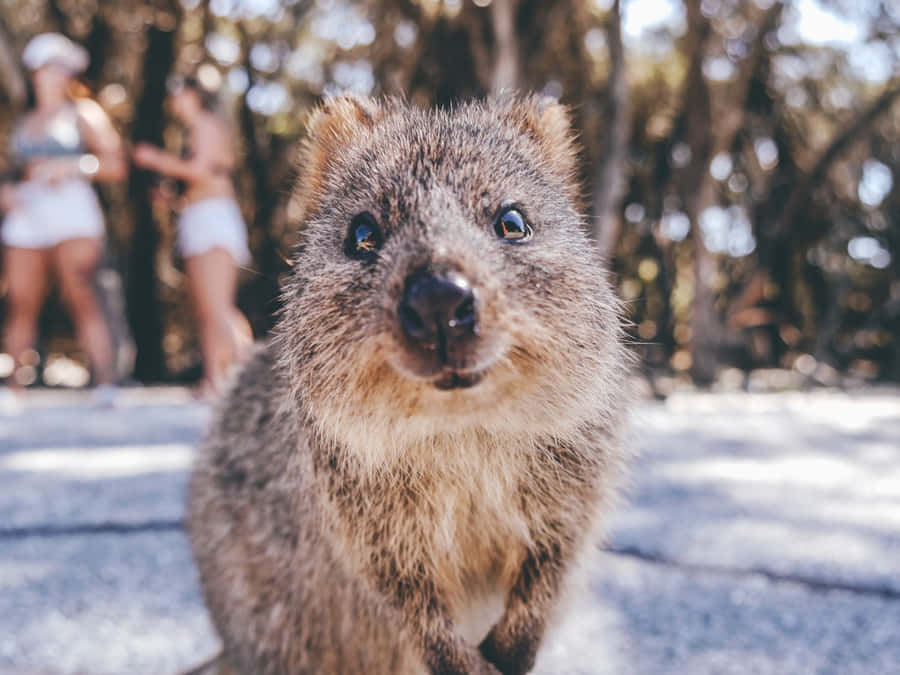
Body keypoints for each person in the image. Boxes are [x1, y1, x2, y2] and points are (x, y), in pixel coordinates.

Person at [0, 33, 125, 405]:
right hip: (28, 213)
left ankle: (104, 382)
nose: (54, 75)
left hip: (73, 211)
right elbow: (14, 172)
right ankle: (14, 387)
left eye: (61, 68)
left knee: (82, 292)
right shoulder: (24, 121)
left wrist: (71, 166)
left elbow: (116, 165)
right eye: (47, 67)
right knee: (22, 299)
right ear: (35, 72)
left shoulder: (84, 113)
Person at [133, 75, 251, 396]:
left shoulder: (207, 124)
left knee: (217, 306)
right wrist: (172, 199)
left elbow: (200, 171)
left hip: (213, 219)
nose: (173, 100)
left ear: (195, 94)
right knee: (206, 308)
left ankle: (245, 379)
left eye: (178, 92)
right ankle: (215, 380)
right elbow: (202, 179)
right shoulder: (197, 129)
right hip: (199, 216)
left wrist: (154, 158)